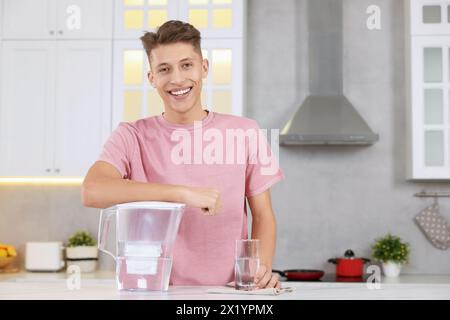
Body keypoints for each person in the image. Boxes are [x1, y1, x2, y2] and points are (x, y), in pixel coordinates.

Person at [82, 20, 284, 289]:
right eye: (164, 69)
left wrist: (259, 271)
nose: (177, 78)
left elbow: (263, 215)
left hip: (227, 292)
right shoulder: (131, 136)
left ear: (204, 68)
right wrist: (181, 194)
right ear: (152, 78)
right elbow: (92, 191)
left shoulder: (245, 132)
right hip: (153, 292)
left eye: (186, 65)